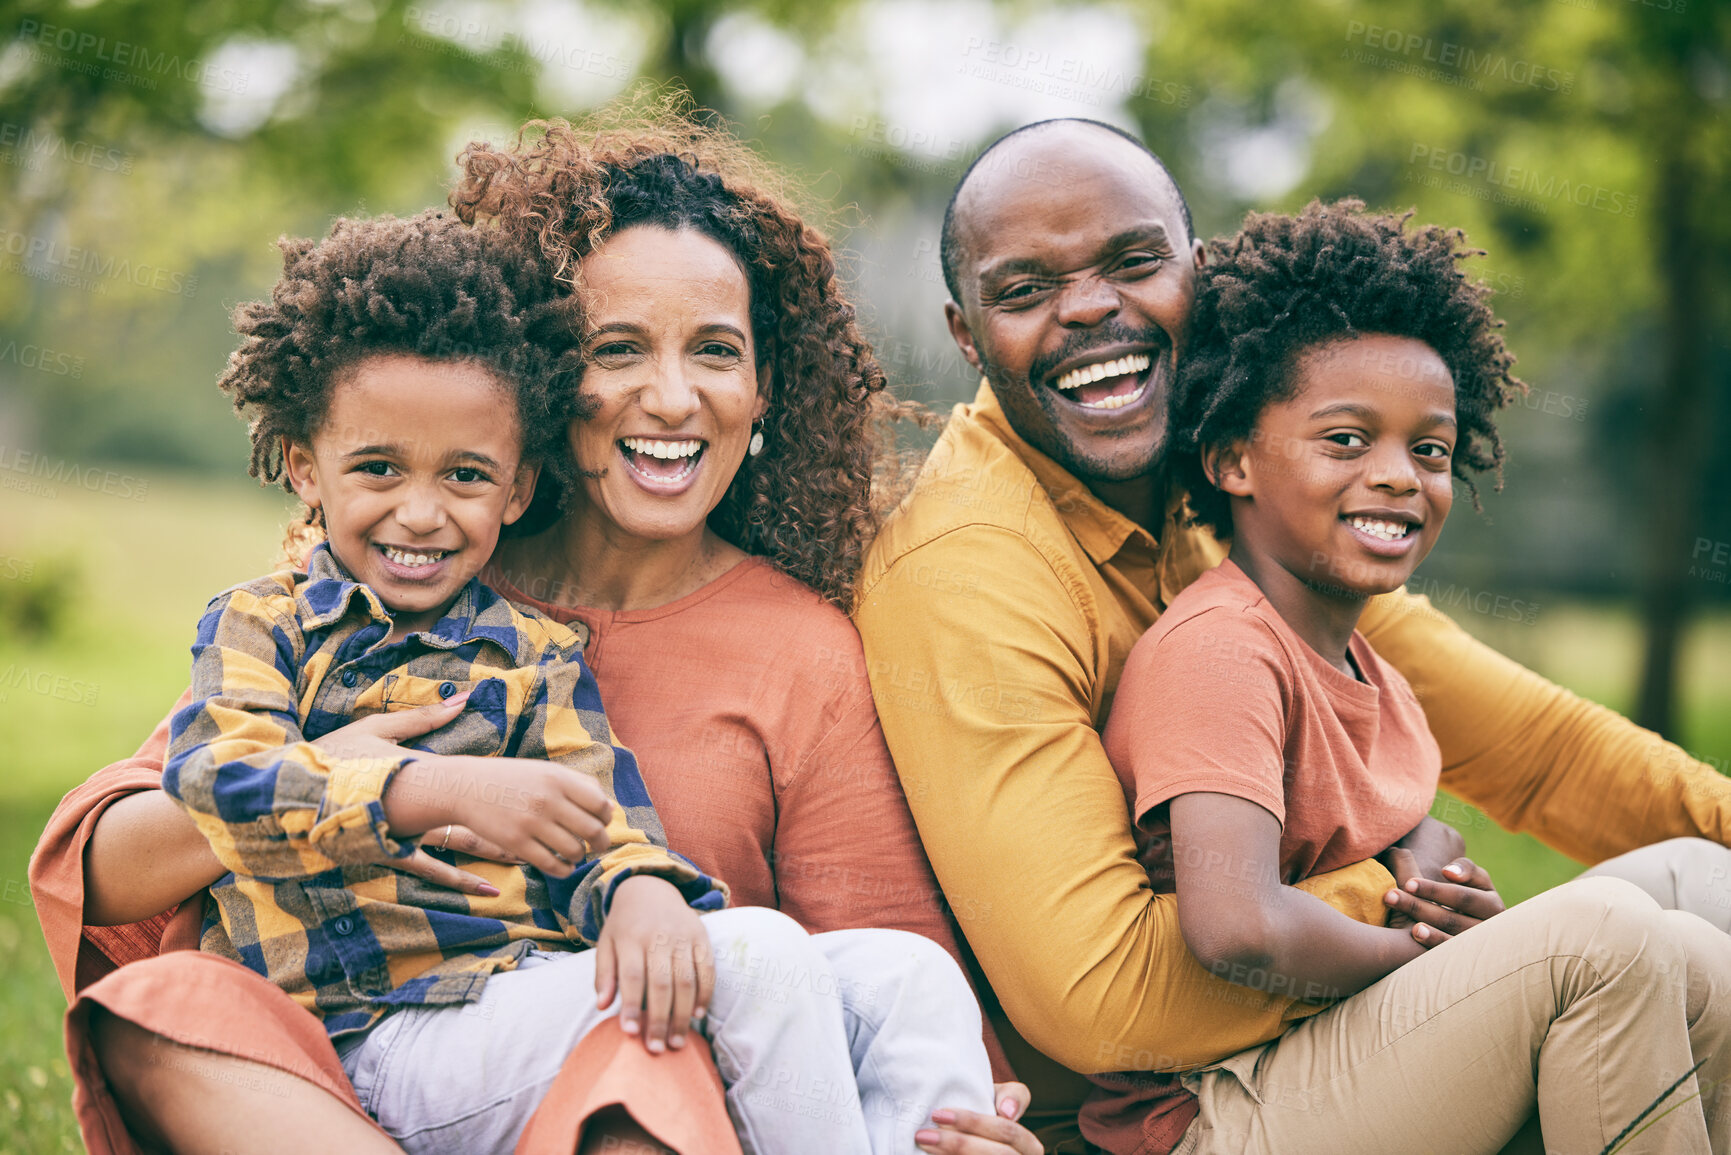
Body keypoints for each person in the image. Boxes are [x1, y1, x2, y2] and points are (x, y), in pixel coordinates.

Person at [31, 108, 1040, 1155]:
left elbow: (877, 968)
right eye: (619, 349)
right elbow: (106, 870)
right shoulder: (405, 593)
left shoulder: (765, 652)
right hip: (365, 1055)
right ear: (546, 383)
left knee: (710, 1042)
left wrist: (965, 1123)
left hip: (652, 1077)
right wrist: (376, 783)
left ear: (764, 386)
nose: (672, 396)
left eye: (715, 352)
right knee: (159, 1012)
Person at [852, 117, 1731, 1151]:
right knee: (1609, 944)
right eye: (1025, 288)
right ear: (967, 336)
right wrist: (1400, 896)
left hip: (1308, 1022)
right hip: (1146, 1107)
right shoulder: (968, 570)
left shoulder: (1233, 467)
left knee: (1697, 879)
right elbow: (1099, 996)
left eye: (1134, 262)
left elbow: (1538, 752)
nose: (1089, 309)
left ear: (1197, 272)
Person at [1075, 198, 1731, 1153]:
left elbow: (1393, 812)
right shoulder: (1221, 646)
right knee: (1606, 934)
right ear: (1230, 459)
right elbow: (1235, 925)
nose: (1398, 475)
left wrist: (1431, 859)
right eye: (1345, 440)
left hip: (1332, 1055)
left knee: (1696, 892)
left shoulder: (1361, 656)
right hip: (1218, 1109)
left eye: (1428, 450)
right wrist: (1422, 951)